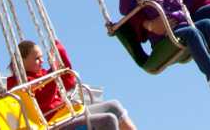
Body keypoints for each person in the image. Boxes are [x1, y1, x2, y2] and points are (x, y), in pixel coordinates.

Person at [7, 39, 135, 129]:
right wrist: (54, 71)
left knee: (114, 106)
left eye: (41, 57)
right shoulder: (17, 83)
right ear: (22, 61)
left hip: (66, 115)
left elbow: (69, 83)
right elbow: (43, 98)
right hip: (53, 124)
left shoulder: (42, 73)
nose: (41, 61)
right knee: (108, 120)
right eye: (37, 58)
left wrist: (60, 55)